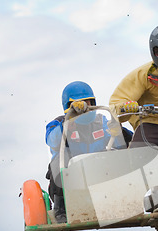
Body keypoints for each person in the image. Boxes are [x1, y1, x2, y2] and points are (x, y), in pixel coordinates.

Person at [45, 81, 114, 223]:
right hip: (68, 188)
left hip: (98, 181)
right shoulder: (58, 124)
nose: (83, 106)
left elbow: (122, 142)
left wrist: (117, 127)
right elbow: (53, 141)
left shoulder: (102, 122)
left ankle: (124, 197)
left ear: (93, 102)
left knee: (116, 153)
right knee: (59, 160)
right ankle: (60, 209)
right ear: (68, 106)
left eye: (87, 102)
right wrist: (69, 123)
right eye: (78, 103)